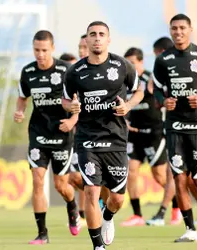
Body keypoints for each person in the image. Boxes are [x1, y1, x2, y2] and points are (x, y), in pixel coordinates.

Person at [62, 21, 143, 250]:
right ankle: (98, 246)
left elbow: (139, 91)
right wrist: (71, 107)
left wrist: (128, 106)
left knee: (117, 198)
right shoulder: (74, 71)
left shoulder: (121, 65)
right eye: (92, 35)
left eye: (101, 34)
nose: (97, 38)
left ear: (108, 39)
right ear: (86, 40)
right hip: (87, 138)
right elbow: (65, 100)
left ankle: (108, 216)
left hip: (116, 137)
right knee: (90, 191)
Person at [153, 14, 197, 242]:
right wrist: (164, 101)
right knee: (180, 179)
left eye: (182, 28)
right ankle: (190, 230)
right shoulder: (163, 60)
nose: (178, 32)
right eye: (174, 28)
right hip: (174, 127)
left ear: (190, 29)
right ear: (170, 30)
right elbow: (155, 90)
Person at [14, 30, 81, 245]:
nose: (40, 54)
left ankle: (72, 206)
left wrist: (72, 121)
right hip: (38, 134)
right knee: (37, 181)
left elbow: (77, 101)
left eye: (44, 50)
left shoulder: (66, 70)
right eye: (36, 50)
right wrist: (20, 111)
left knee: (61, 185)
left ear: (52, 48)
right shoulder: (28, 72)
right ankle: (42, 234)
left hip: (61, 134)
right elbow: (23, 97)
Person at [120, 47, 179, 227]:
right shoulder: (123, 82)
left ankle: (178, 209)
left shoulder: (150, 80)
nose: (129, 66)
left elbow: (163, 99)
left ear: (141, 62)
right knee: (131, 171)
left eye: (133, 62)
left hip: (154, 134)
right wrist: (124, 120)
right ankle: (137, 214)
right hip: (134, 135)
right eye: (127, 63)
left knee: (160, 176)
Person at [59, 51, 88, 227]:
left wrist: (73, 120)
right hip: (60, 138)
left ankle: (88, 210)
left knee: (79, 176)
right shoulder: (58, 85)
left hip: (79, 139)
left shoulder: (80, 84)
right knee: (68, 180)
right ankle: (81, 211)